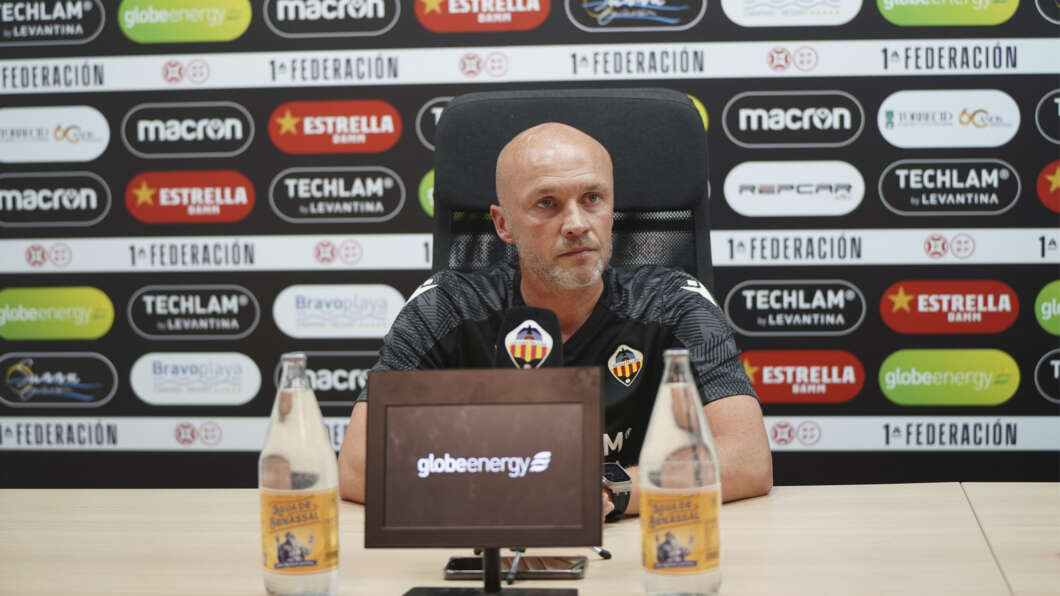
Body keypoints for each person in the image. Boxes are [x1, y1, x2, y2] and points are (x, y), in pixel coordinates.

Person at [337, 122, 773, 512]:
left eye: (593, 199)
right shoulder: (445, 308)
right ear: (503, 225)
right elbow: (359, 465)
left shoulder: (674, 304)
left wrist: (607, 492)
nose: (577, 223)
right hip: (490, 543)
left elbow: (747, 459)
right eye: (547, 203)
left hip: (635, 540)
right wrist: (517, 497)